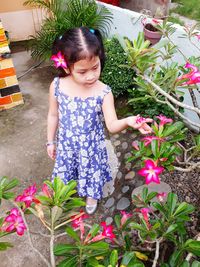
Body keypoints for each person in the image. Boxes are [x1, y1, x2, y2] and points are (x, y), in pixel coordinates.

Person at [47, 27, 152, 214]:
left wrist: (128, 120)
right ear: (66, 66)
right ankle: (65, 194)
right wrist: (50, 141)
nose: (91, 75)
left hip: (91, 148)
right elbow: (53, 115)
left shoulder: (103, 92)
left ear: (100, 59)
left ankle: (91, 195)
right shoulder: (57, 86)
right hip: (67, 145)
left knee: (91, 174)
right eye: (82, 71)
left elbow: (111, 125)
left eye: (95, 67)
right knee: (67, 172)